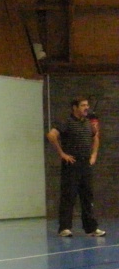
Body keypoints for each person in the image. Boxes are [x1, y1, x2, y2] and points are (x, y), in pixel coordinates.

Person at [46, 96, 106, 238]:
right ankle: (65, 228)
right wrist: (62, 154)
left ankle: (91, 228)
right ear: (75, 107)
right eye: (83, 105)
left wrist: (94, 155)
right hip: (71, 163)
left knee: (87, 196)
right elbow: (51, 135)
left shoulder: (88, 123)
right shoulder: (66, 122)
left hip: (86, 164)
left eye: (87, 105)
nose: (86, 108)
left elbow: (95, 137)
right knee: (69, 196)